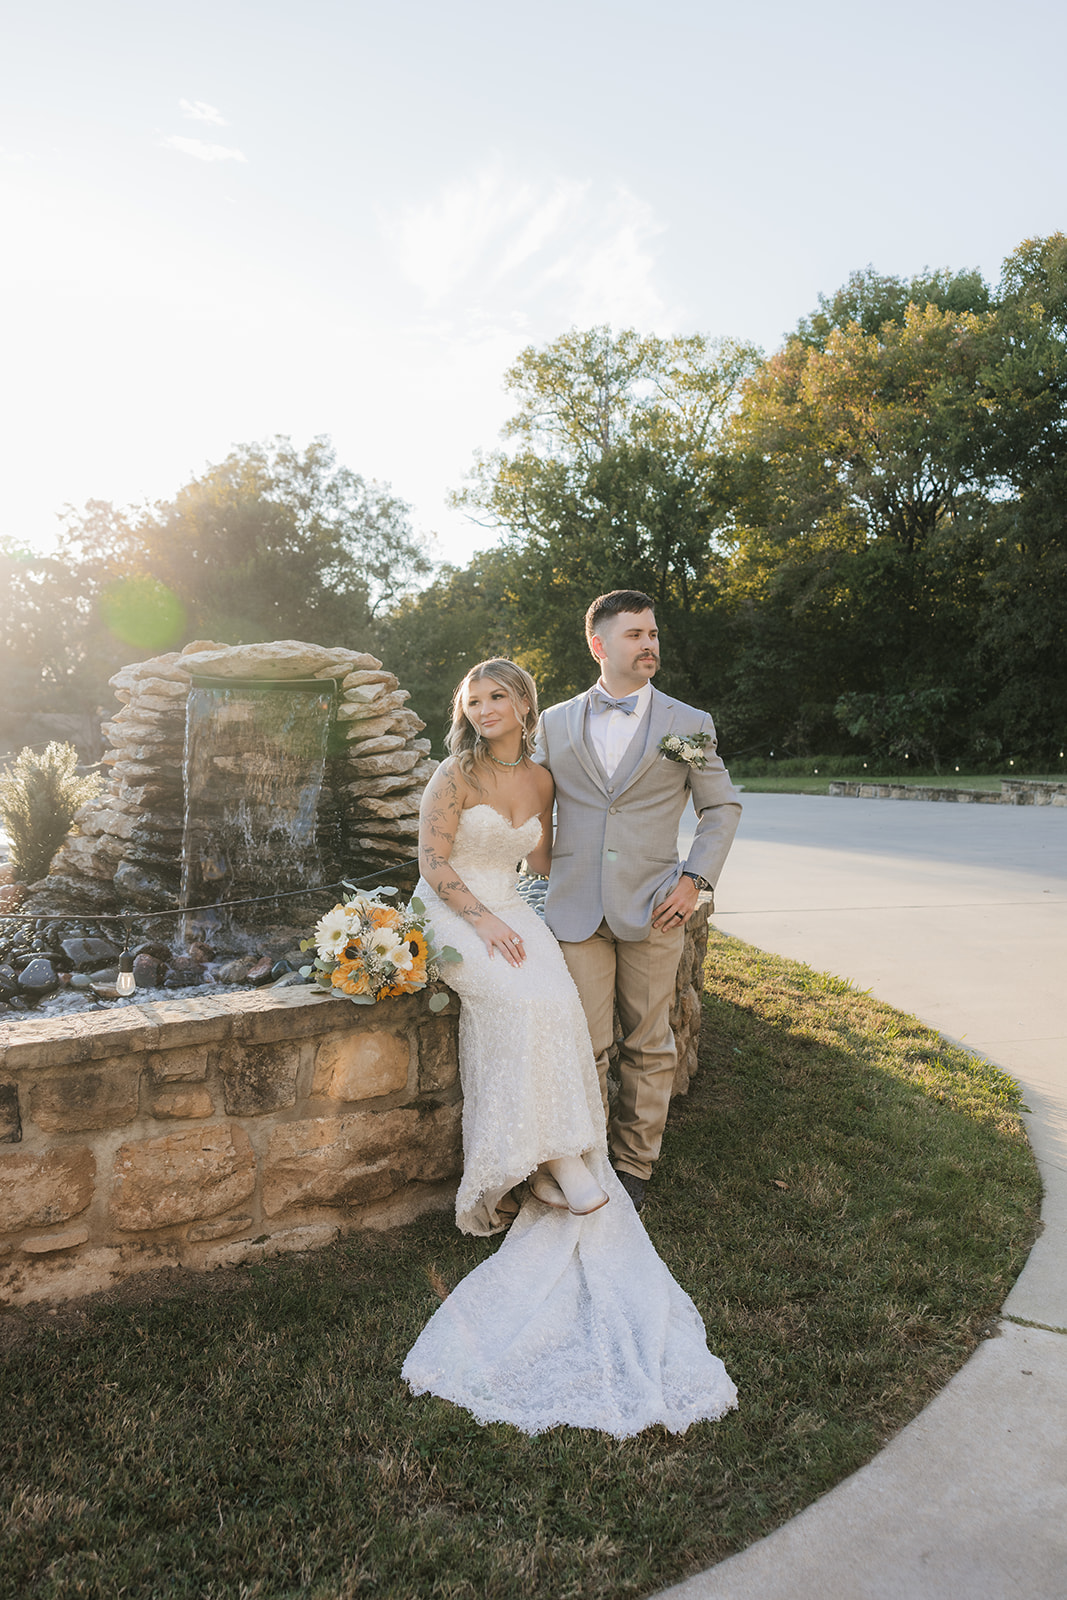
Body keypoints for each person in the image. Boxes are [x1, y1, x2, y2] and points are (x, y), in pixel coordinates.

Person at [402, 658, 737, 1437]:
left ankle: (566, 1152)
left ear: (523, 706)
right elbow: (431, 860)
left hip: (512, 907)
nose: (483, 709)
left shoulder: (544, 782)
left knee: (553, 996)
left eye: (496, 697)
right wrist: (482, 923)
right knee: (519, 999)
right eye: (472, 700)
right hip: (448, 915)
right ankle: (556, 1162)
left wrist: (617, 889)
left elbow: (545, 863)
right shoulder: (452, 773)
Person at [536, 591, 742, 1213]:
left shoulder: (688, 723)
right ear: (599, 645)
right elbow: (531, 806)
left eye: (653, 633)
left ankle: (634, 1166)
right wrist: (534, 867)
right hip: (575, 910)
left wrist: (693, 882)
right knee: (587, 1045)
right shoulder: (553, 722)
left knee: (650, 1044)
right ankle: (587, 1158)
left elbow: (721, 808)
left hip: (656, 905)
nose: (649, 644)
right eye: (634, 635)